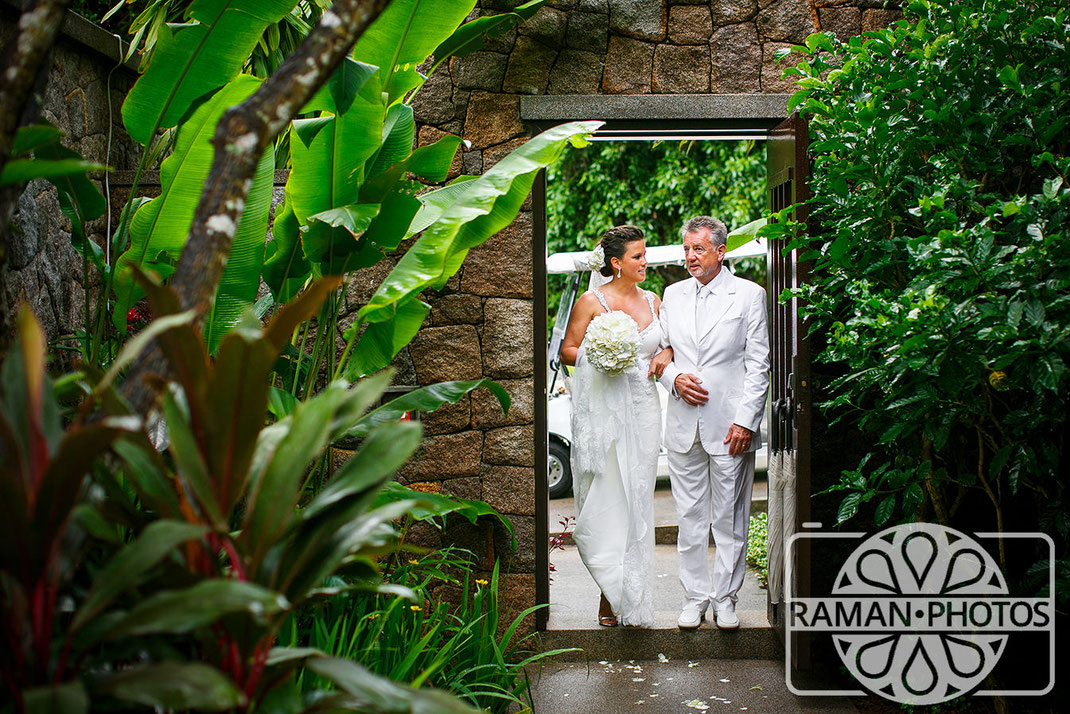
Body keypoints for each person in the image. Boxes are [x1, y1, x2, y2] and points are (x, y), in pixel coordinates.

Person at [656, 215, 770, 630]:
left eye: (698, 249)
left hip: (730, 427)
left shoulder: (749, 295)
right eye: (686, 248)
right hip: (685, 424)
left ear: (720, 252)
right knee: (688, 517)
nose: (689, 256)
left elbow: (759, 365)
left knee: (729, 518)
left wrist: (746, 421)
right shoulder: (671, 294)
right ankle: (694, 598)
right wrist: (673, 379)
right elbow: (660, 352)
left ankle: (726, 599)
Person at [560, 225, 672, 627]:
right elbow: (569, 351)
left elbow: (667, 343)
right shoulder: (592, 302)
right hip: (605, 415)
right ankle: (610, 591)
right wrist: (605, 355)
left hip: (643, 413)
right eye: (638, 256)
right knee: (611, 497)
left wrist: (669, 351)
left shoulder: (655, 301)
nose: (645, 262)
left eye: (645, 254)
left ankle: (634, 594)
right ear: (616, 263)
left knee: (638, 499)